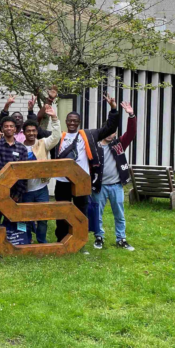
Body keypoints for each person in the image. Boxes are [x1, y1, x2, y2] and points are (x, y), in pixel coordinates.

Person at [53, 94, 120, 246]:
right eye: (69, 120)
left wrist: (113, 108)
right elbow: (38, 133)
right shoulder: (59, 137)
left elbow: (110, 127)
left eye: (75, 121)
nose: (72, 123)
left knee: (80, 212)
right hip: (62, 181)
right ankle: (62, 239)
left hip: (81, 181)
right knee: (62, 210)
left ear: (79, 123)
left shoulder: (89, 135)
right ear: (66, 121)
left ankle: (79, 240)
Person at [91, 102, 137, 251]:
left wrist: (131, 115)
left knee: (119, 213)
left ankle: (121, 239)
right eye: (109, 132)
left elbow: (131, 133)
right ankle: (99, 237)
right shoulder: (95, 146)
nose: (112, 135)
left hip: (116, 185)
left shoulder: (119, 144)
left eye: (114, 132)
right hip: (100, 186)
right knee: (97, 213)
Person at [20, 104, 62, 243]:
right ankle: (26, 240)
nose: (31, 133)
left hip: (40, 189)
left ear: (37, 132)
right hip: (24, 190)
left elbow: (56, 136)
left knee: (43, 217)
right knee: (24, 217)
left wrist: (54, 118)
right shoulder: (18, 147)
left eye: (33, 130)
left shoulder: (43, 143)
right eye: (28, 131)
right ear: (24, 132)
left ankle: (41, 240)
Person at [0, 117, 30, 226]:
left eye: (11, 126)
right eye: (6, 126)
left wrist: (19, 193)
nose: (9, 128)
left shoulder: (21, 148)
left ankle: (14, 240)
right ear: (2, 129)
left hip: (15, 188)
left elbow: (23, 172)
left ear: (15, 129)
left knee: (14, 218)